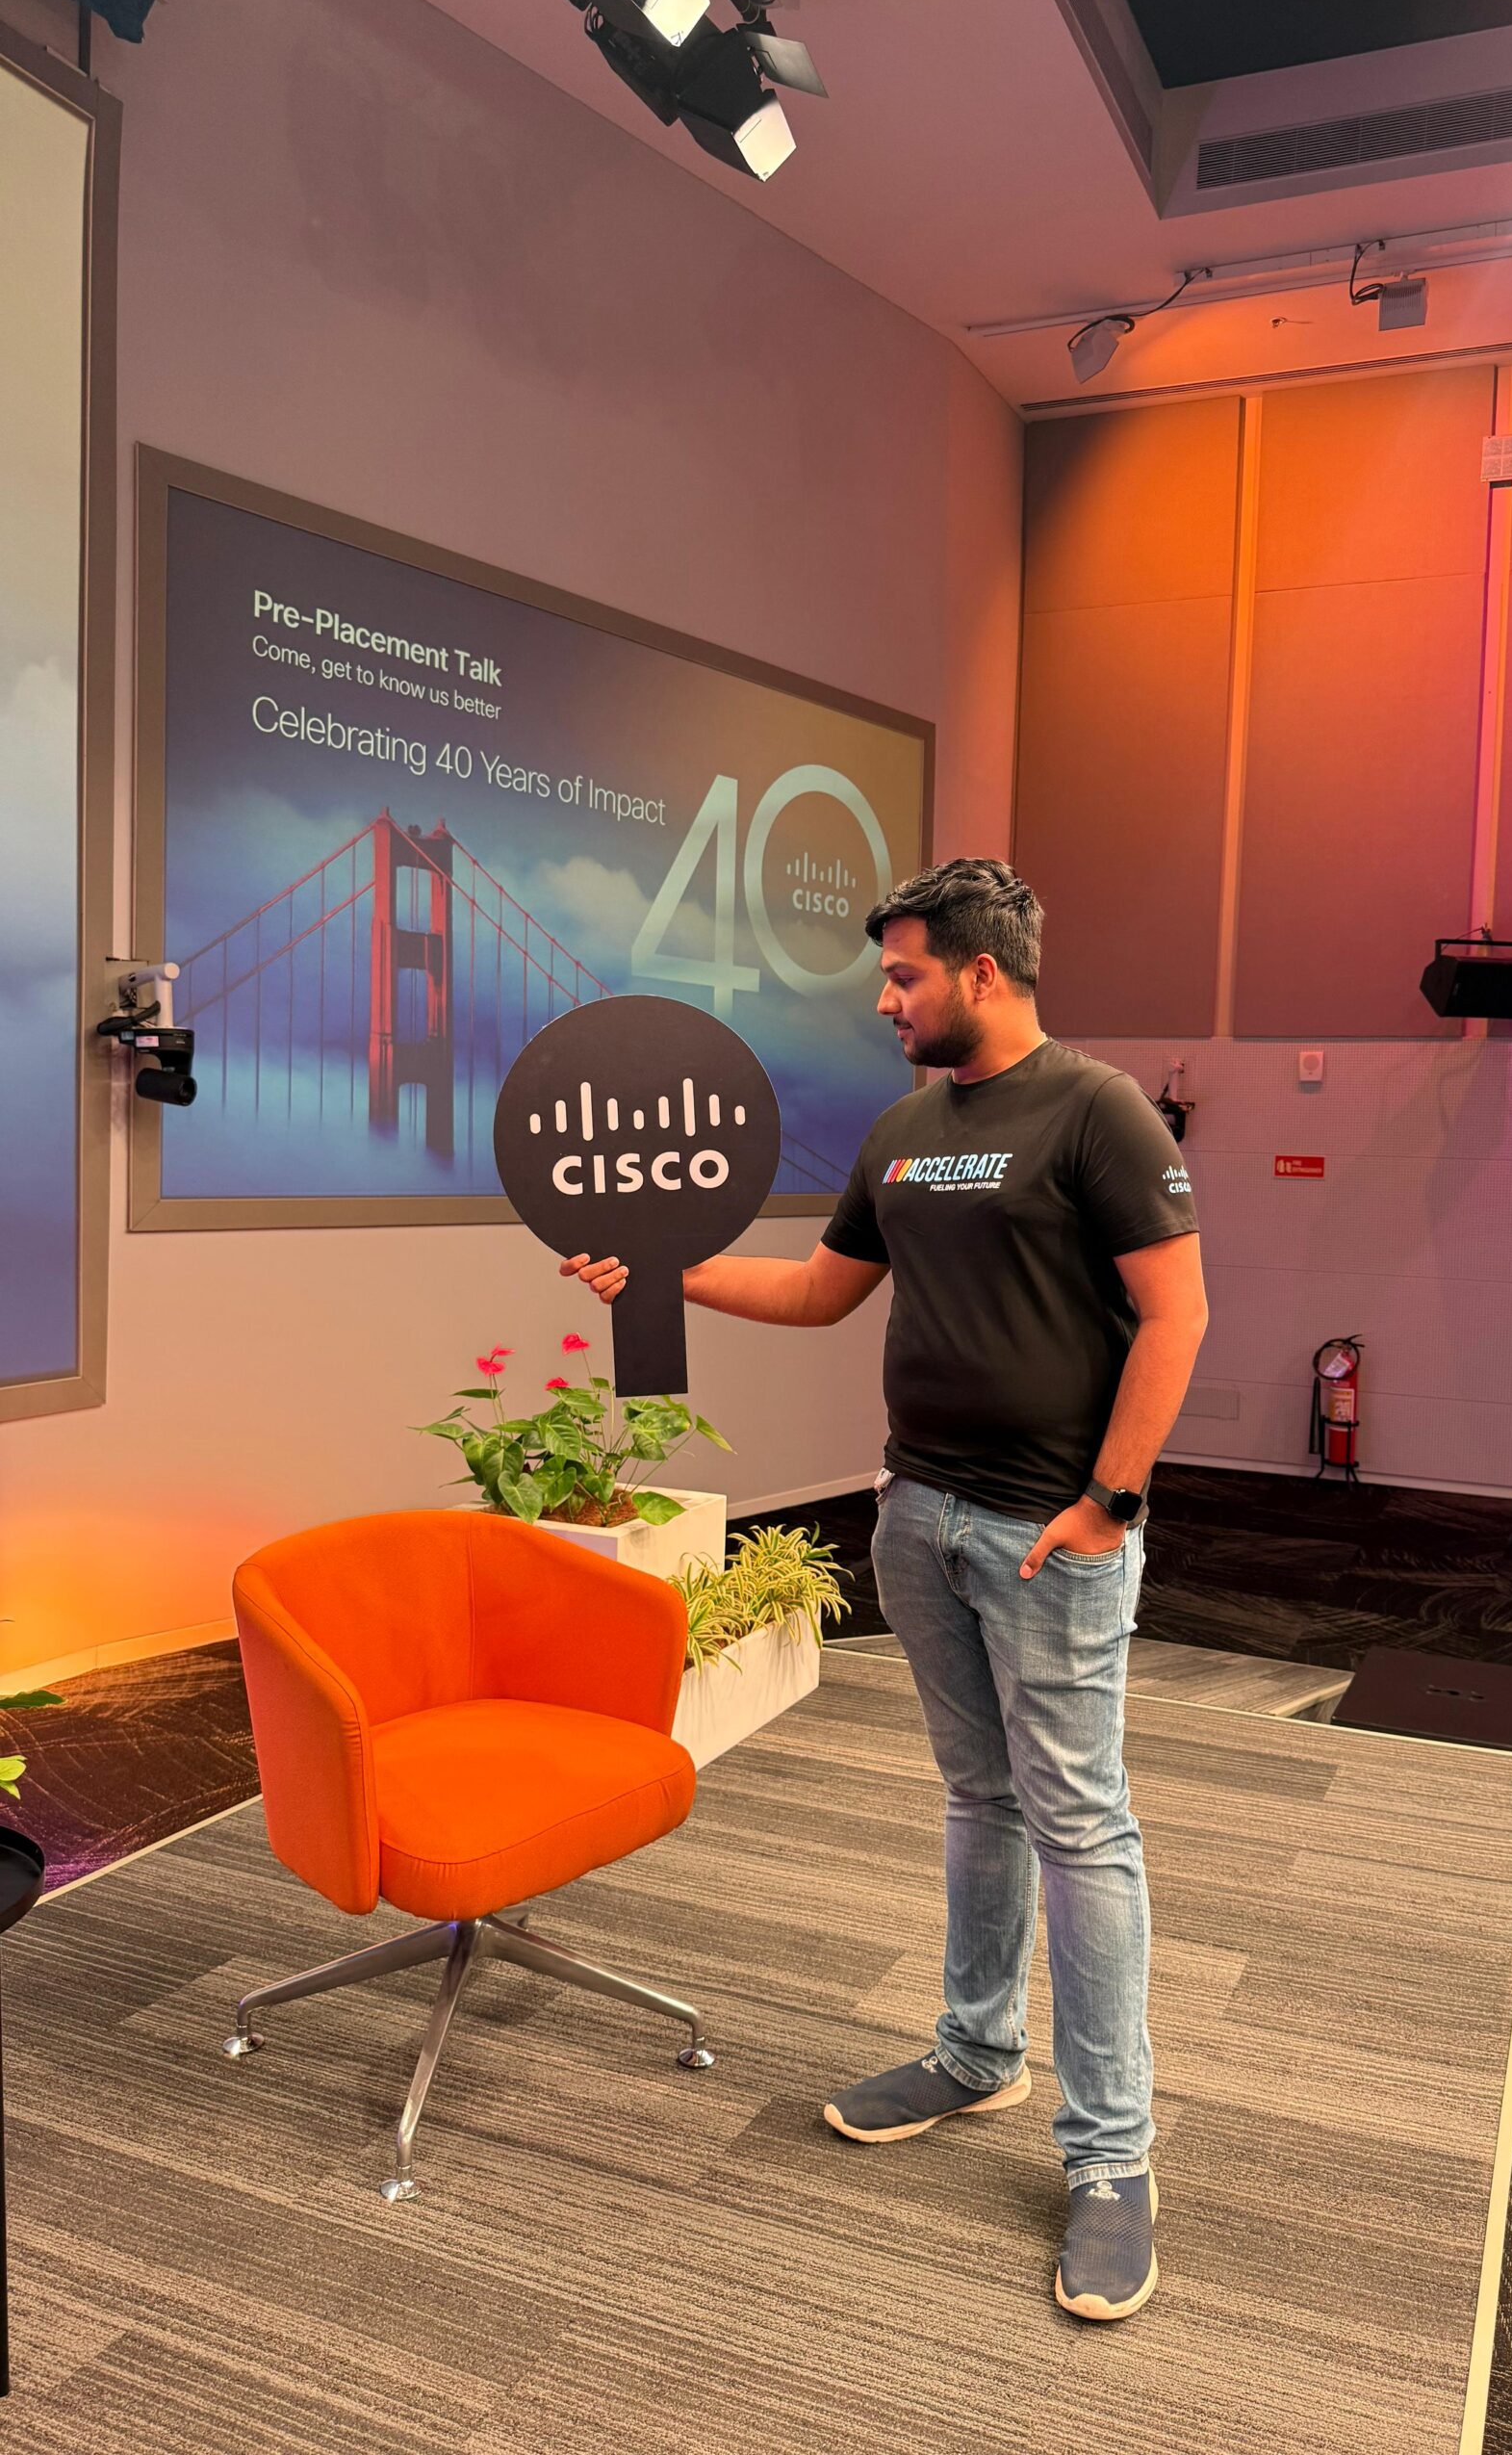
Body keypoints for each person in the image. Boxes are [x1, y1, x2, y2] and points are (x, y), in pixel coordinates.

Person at [562, 856, 1207, 2323]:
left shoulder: (1095, 1110)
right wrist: (660, 1274)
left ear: (986, 972)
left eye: (907, 974)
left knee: (1080, 1824)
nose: (887, 998)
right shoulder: (907, 1132)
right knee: (978, 1799)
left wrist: (1113, 1501)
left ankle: (1113, 2159)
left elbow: (1178, 1311)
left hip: (1052, 1531)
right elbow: (820, 1290)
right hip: (916, 1512)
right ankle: (977, 2053)